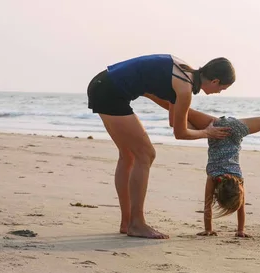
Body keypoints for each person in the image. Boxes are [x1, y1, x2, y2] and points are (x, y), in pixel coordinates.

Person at [86, 54, 235, 239]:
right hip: (110, 92)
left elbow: (174, 121)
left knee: (129, 155)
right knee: (146, 155)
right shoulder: (185, 89)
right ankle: (137, 224)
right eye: (222, 88)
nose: (220, 92)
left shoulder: (185, 72)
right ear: (215, 81)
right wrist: (207, 133)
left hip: (102, 84)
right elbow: (180, 133)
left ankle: (128, 222)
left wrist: (206, 125)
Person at [153, 98, 260, 238]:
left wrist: (224, 230)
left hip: (227, 129)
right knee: (181, 117)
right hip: (219, 128)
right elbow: (207, 205)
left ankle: (155, 96)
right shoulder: (214, 176)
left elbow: (233, 207)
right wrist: (228, 230)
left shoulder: (238, 179)